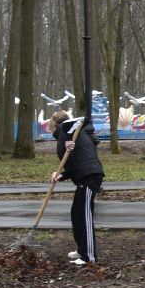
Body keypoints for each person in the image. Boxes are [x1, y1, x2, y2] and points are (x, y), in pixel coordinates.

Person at [50, 109, 104, 265]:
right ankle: (82, 249)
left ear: (54, 123)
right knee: (77, 213)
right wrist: (61, 175)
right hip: (83, 176)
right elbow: (74, 163)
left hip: (89, 177)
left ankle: (89, 257)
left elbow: (77, 123)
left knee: (85, 216)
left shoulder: (68, 131)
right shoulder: (69, 134)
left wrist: (67, 137)